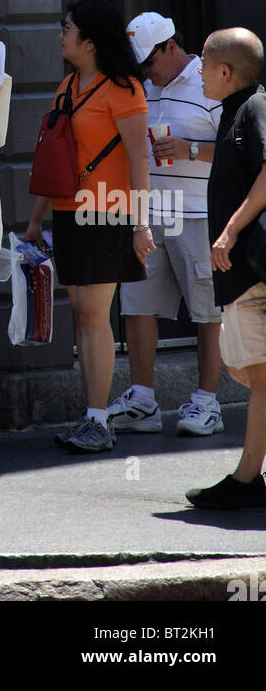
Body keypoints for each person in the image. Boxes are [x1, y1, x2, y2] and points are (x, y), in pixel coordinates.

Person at [24, 0, 155, 454]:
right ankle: (93, 416)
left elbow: (140, 157)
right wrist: (36, 219)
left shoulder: (124, 89)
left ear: (90, 41)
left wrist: (142, 224)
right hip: (68, 211)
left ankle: (98, 421)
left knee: (95, 315)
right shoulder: (66, 86)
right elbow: (55, 158)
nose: (61, 35)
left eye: (67, 28)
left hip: (108, 208)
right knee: (81, 312)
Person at [107, 12, 224, 437]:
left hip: (197, 213)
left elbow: (236, 147)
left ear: (171, 46)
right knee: (137, 305)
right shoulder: (143, 87)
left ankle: (207, 402)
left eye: (148, 62)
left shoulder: (210, 81)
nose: (145, 72)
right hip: (149, 213)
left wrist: (191, 148)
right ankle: (142, 400)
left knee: (208, 311)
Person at [186, 27, 266, 510]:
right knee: (254, 372)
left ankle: (245, 480)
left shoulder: (255, 108)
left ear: (224, 71)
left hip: (253, 269)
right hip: (243, 274)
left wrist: (232, 230)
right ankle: (248, 479)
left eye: (204, 63)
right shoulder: (235, 112)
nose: (198, 71)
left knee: (259, 374)